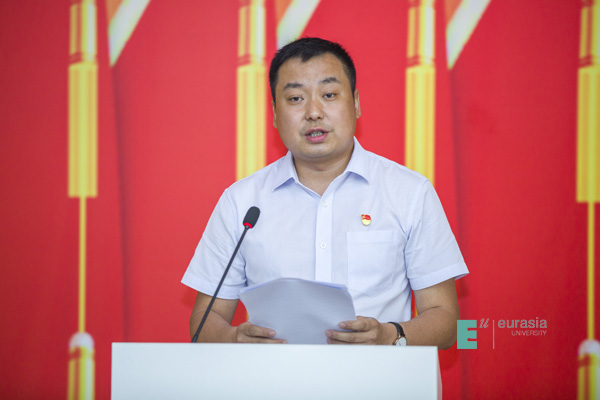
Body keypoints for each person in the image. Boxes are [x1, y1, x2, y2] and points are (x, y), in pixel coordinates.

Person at [182, 37, 468, 347]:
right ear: (275, 113)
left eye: (329, 95)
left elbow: (446, 322)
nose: (314, 112)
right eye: (295, 98)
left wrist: (389, 335)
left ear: (355, 103)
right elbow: (205, 320)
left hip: (377, 375)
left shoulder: (409, 193)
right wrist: (233, 338)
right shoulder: (241, 203)